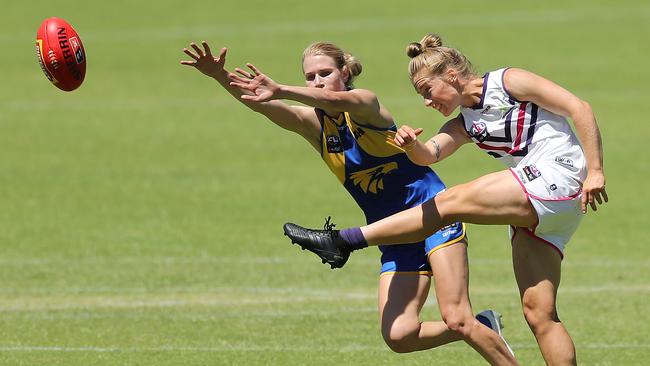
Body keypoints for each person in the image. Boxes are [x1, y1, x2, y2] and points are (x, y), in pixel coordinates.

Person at [181, 40, 517, 364]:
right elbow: (261, 102)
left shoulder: (366, 105)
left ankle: (474, 329)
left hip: (433, 216)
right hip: (393, 236)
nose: (318, 81)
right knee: (399, 336)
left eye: (325, 73)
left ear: (345, 71)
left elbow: (333, 101)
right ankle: (484, 327)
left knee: (457, 317)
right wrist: (219, 77)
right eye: (310, 76)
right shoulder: (315, 127)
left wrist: (282, 89)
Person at [284, 34, 608, 366]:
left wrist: (595, 170)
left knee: (449, 201)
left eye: (427, 90)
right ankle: (343, 242)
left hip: (560, 176)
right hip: (545, 211)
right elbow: (430, 154)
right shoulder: (465, 123)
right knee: (540, 314)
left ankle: (344, 240)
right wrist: (410, 146)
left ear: (451, 76)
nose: (426, 101)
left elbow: (578, 107)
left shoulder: (508, 81)